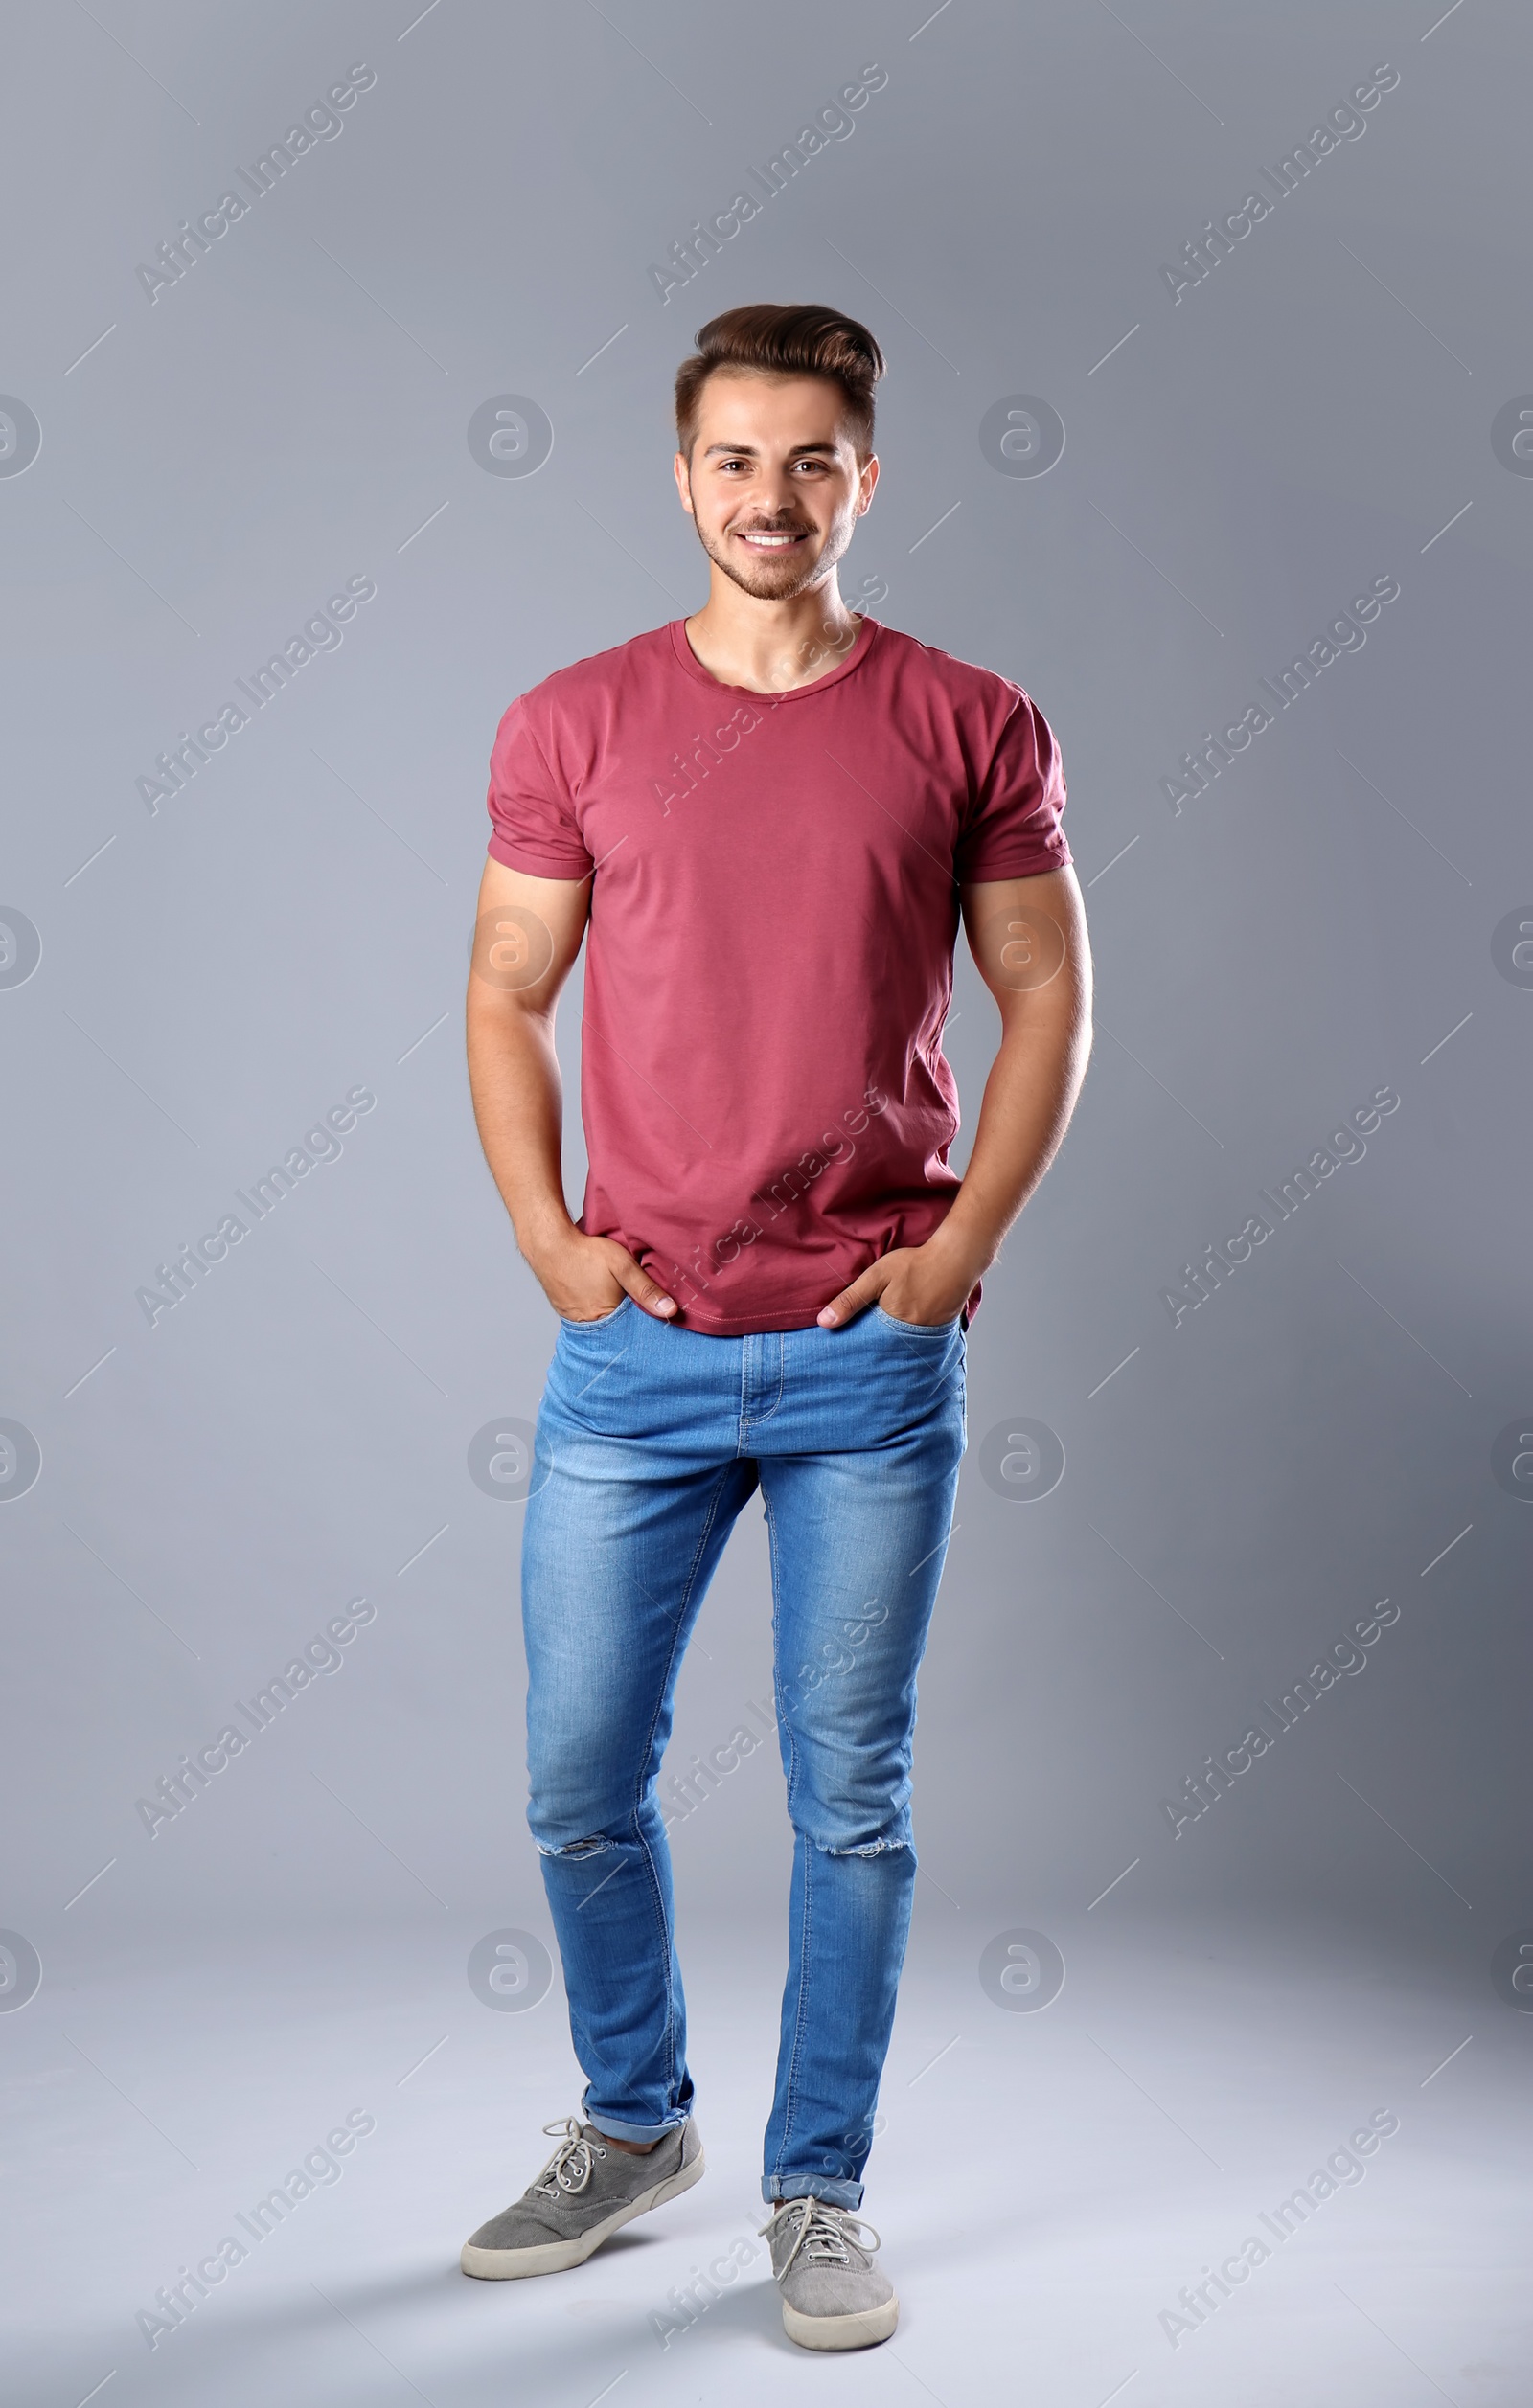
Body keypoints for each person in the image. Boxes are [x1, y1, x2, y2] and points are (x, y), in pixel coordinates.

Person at [460, 302, 1091, 2351]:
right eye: (732, 460)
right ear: (679, 478)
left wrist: (953, 1248)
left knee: (850, 1798)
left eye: (809, 460)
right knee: (575, 1775)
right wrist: (549, 1240)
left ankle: (813, 2188)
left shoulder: (969, 719)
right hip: (630, 1353)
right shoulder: (569, 720)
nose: (767, 497)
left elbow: (1045, 997)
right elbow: (501, 987)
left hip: (861, 1359)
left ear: (865, 480)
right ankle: (633, 2121)